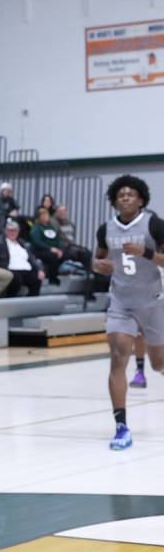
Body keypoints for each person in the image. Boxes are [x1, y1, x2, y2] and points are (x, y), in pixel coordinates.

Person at [94, 176, 164, 451]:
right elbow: (98, 259)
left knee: (158, 364)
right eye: (120, 194)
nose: (124, 197)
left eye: (130, 194)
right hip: (121, 301)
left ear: (141, 200)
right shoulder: (105, 229)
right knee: (117, 356)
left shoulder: (154, 224)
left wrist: (146, 252)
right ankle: (121, 426)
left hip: (153, 301)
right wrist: (101, 266)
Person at [0, 219, 46, 297]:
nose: (12, 233)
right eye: (10, 230)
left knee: (37, 278)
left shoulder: (22, 243)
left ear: (18, 231)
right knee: (16, 280)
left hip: (26, 269)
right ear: (5, 231)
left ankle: (32, 302)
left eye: (15, 230)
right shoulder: (0, 243)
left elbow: (32, 258)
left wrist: (39, 269)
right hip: (11, 269)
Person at [29, 206, 65, 285]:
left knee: (65, 255)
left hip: (52, 250)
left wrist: (59, 250)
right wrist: (50, 248)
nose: (45, 217)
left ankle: (53, 273)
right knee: (52, 256)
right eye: (43, 215)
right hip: (39, 251)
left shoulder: (50, 227)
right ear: (39, 217)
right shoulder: (36, 228)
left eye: (46, 215)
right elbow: (37, 241)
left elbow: (57, 240)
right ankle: (52, 278)